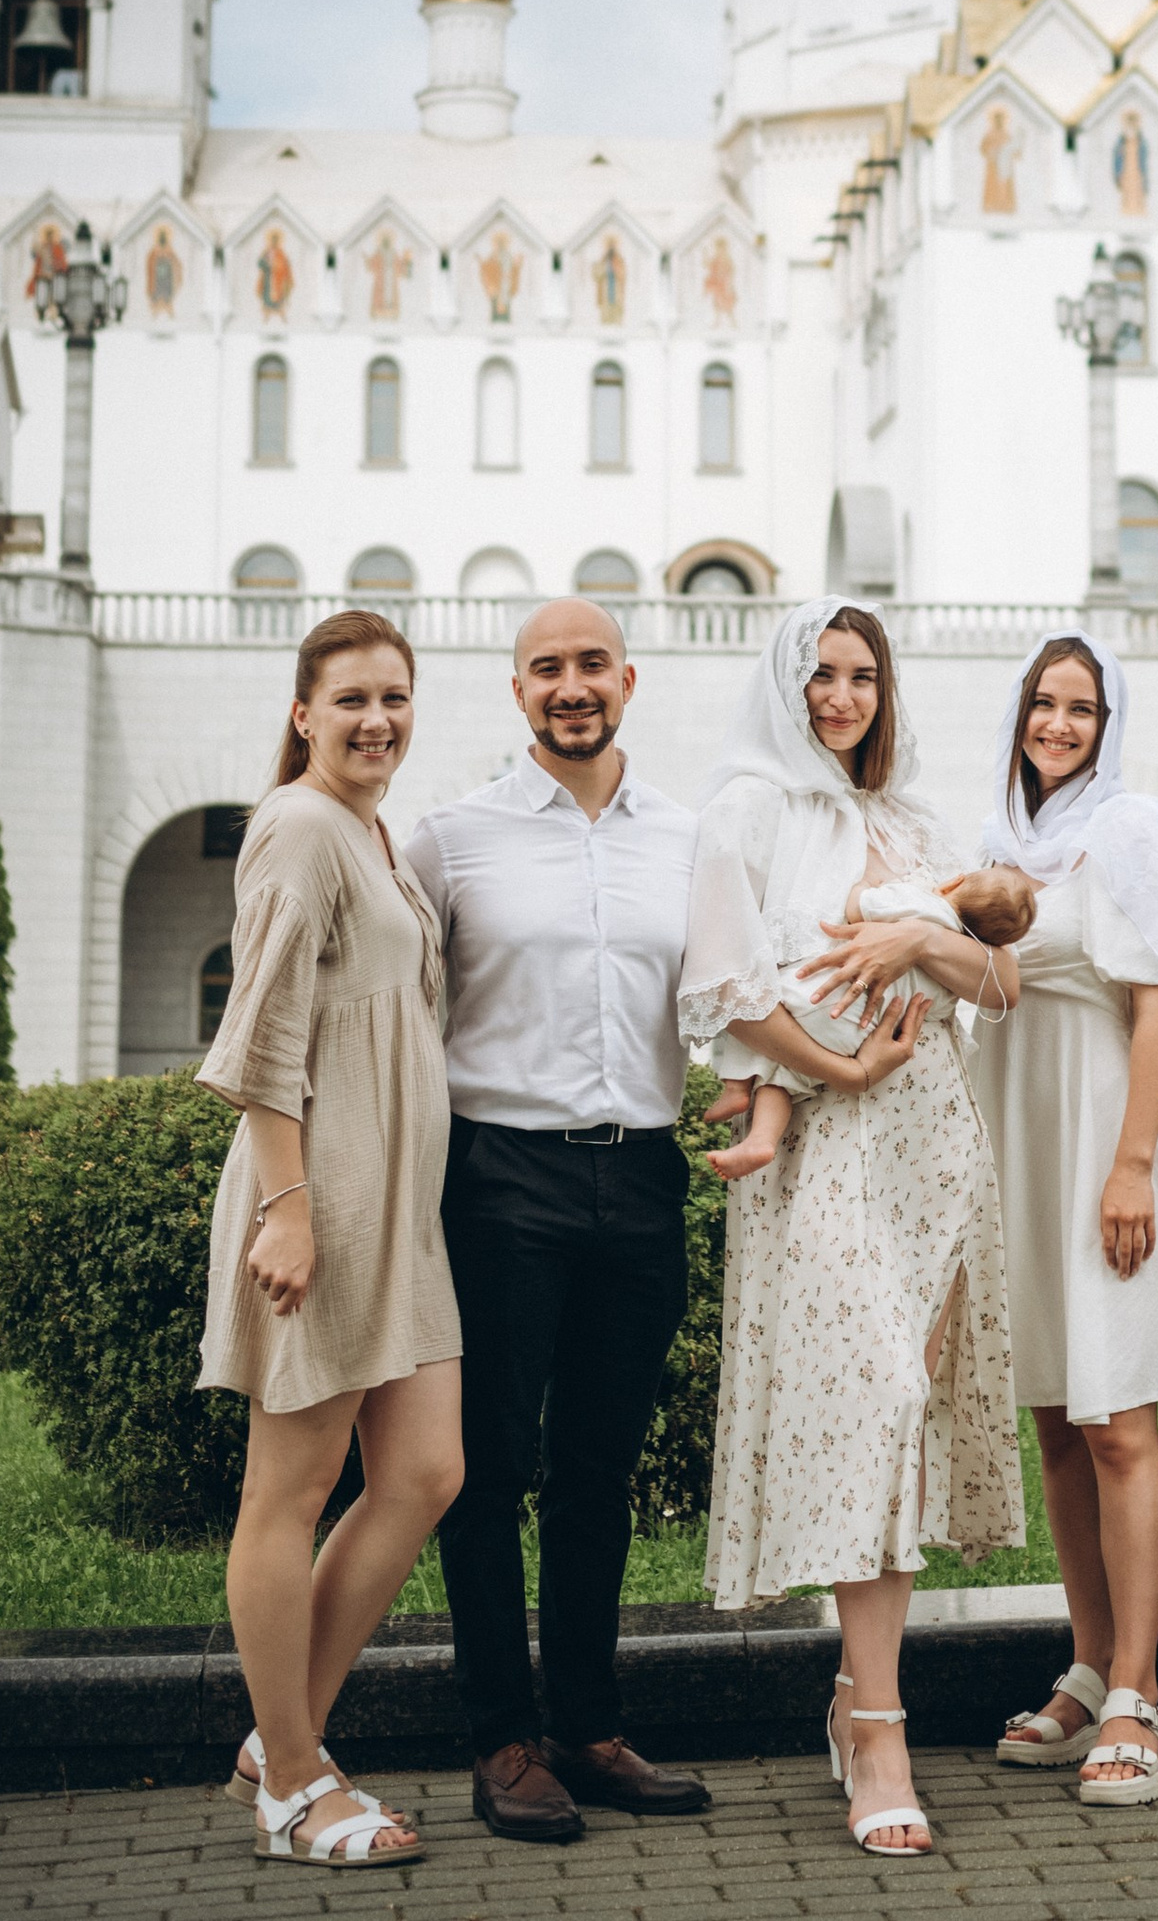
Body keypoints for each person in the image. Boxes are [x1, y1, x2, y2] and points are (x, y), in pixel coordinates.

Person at [681, 598, 1025, 1858]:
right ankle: (876, 1725)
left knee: (904, 1408)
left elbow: (1003, 977)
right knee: (875, 1393)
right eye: (819, 674)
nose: (840, 696)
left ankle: (861, 1696)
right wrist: (833, 1072)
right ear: (784, 685)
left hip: (931, 1139)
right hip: (826, 1132)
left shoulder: (918, 822)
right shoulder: (745, 810)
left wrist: (921, 934)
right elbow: (721, 987)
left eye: (862, 674)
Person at [404, 599, 710, 1847]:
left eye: (591, 664)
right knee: (484, 1469)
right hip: (499, 1179)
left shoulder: (688, 837)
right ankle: (503, 1740)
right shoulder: (451, 839)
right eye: (547, 668)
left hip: (641, 1177)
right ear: (517, 689)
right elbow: (394, 1000)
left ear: (628, 680)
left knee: (598, 1470)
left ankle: (587, 1727)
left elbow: (735, 992)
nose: (570, 685)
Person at [197, 611, 462, 1871]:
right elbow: (263, 1034)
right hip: (321, 1200)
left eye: (394, 697)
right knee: (288, 1493)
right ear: (303, 713)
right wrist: (289, 1208)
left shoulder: (370, 831)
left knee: (423, 1473)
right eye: (351, 698)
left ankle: (278, 1731)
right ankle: (297, 1784)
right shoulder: (301, 825)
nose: (376, 719)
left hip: (399, 1213)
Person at [964, 628, 1158, 1807]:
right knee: (1058, 1423)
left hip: (1101, 1135)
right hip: (1019, 1137)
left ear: (1108, 725)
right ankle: (1083, 1664)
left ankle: (1139, 1691)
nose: (1057, 724)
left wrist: (1130, 1166)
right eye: (1043, 703)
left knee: (1119, 1419)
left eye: (1081, 708)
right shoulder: (995, 845)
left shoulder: (1128, 829)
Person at [703, 863, 1037, 1182]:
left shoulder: (916, 901)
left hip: (825, 996)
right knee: (788, 1078)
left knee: (758, 1001)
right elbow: (933, 1010)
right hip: (864, 1035)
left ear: (953, 883)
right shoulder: (957, 964)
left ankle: (736, 1087)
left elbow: (856, 908)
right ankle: (762, 1140)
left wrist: (865, 886)